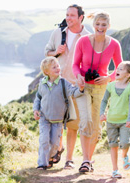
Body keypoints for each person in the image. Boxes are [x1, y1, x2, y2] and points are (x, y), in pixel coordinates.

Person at [72, 11, 123, 173]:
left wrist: (108, 78)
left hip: (102, 88)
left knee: (95, 126)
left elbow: (120, 68)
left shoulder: (114, 44)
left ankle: (88, 160)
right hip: (84, 87)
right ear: (93, 25)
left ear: (108, 26)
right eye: (98, 24)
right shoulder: (83, 41)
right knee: (86, 121)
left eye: (104, 24)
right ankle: (85, 160)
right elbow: (75, 65)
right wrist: (79, 76)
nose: (100, 27)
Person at [44, 4, 90, 169]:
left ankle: (69, 159)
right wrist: (56, 51)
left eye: (72, 15)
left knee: (72, 124)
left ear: (80, 18)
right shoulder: (58, 33)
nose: (68, 18)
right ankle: (56, 149)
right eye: (67, 15)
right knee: (55, 122)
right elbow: (47, 53)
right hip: (56, 85)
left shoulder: (87, 37)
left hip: (75, 87)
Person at [33, 56, 84, 170]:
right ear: (46, 72)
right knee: (44, 140)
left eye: (58, 66)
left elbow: (73, 92)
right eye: (54, 67)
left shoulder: (63, 83)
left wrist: (80, 89)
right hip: (44, 118)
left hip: (58, 119)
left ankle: (50, 157)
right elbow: (38, 98)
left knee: (55, 144)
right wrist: (35, 110)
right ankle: (42, 163)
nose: (57, 68)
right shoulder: (42, 83)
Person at [100, 61, 130, 178]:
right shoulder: (110, 85)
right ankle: (115, 170)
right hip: (111, 121)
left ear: (128, 75)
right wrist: (102, 113)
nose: (117, 70)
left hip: (125, 122)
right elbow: (104, 100)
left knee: (125, 143)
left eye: (121, 69)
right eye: (117, 68)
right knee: (113, 145)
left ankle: (124, 155)